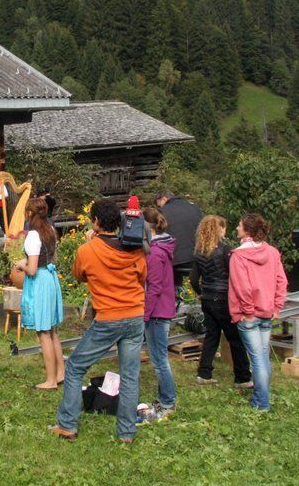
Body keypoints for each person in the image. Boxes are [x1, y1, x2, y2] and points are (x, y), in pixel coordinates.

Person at [50, 199, 147, 443]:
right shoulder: (135, 249)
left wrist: (88, 244)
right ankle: (126, 433)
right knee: (130, 376)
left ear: (95, 222)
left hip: (108, 318)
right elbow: (142, 277)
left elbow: (78, 274)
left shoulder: (88, 250)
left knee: (75, 367)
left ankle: (67, 425)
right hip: (135, 316)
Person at [229, 213, 288, 412]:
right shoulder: (272, 252)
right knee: (262, 355)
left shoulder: (238, 256)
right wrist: (277, 306)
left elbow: (242, 286)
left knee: (257, 358)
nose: (237, 228)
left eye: (239, 225)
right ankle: (262, 397)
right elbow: (282, 281)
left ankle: (261, 402)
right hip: (266, 312)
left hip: (249, 315)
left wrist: (247, 311)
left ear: (247, 230)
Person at [190, 215, 252, 389]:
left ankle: (204, 373)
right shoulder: (226, 251)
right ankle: (242, 377)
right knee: (235, 338)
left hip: (208, 298)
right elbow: (234, 275)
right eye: (223, 227)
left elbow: (193, 279)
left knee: (211, 336)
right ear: (218, 230)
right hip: (224, 299)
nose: (226, 230)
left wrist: (201, 293)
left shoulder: (199, 251)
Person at [12, 198, 64, 390]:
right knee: (52, 330)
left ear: (29, 214)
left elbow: (32, 270)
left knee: (43, 332)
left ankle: (50, 380)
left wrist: (21, 264)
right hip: (50, 278)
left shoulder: (33, 235)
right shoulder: (50, 229)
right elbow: (50, 258)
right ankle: (61, 373)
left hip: (40, 281)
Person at [141, 207, 176, 419]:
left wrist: (145, 314)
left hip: (157, 312)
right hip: (162, 309)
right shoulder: (162, 246)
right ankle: (164, 398)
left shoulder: (154, 253)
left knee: (160, 361)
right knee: (160, 358)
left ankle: (168, 402)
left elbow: (154, 287)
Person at [155, 190, 203, 286]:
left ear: (164, 198)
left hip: (175, 260)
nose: (159, 207)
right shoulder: (194, 207)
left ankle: (175, 291)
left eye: (159, 204)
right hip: (197, 257)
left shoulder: (163, 212)